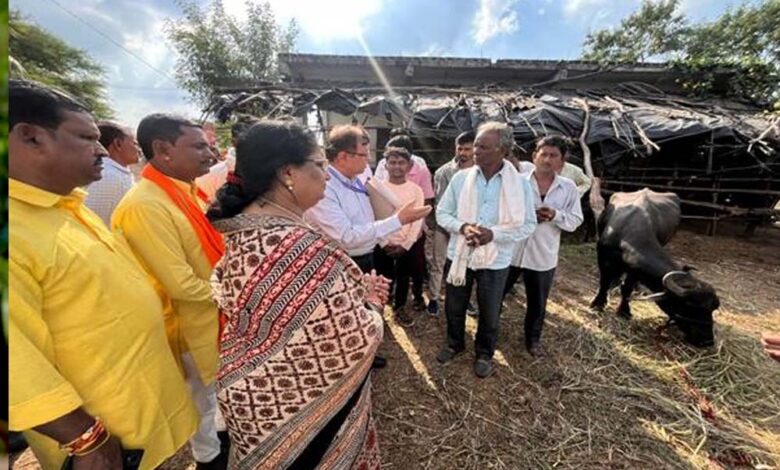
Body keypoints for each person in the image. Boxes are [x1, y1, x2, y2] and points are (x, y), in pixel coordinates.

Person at [9, 80, 198, 470]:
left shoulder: (67, 206)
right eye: (86, 138)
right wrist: (87, 440)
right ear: (31, 138)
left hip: (155, 419)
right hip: (111, 446)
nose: (101, 150)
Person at [207, 120, 387, 469]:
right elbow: (358, 341)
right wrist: (373, 303)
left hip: (254, 404)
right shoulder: (303, 251)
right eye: (319, 165)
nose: (328, 175)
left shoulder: (246, 232)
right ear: (288, 173)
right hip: (304, 419)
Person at [112, 114, 226, 469]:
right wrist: (238, 292)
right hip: (187, 328)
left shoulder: (186, 191)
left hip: (212, 316)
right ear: (163, 150)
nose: (211, 154)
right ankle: (209, 461)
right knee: (202, 408)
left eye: (209, 146)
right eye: (199, 147)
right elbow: (181, 285)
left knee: (216, 402)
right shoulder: (145, 205)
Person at [305, 125, 430, 369]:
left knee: (362, 310)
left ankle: (364, 355)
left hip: (366, 255)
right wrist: (397, 221)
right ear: (344, 156)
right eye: (364, 153)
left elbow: (374, 212)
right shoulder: (325, 188)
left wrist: (390, 235)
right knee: (343, 317)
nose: (369, 159)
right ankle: (348, 365)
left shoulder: (361, 177)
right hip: (341, 261)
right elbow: (346, 236)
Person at [435, 122, 536, 378]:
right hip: (460, 254)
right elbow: (442, 213)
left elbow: (528, 224)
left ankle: (484, 353)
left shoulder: (520, 185)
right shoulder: (461, 178)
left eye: (483, 147)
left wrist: (494, 235)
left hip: (495, 259)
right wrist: (463, 227)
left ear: (502, 150)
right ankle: (454, 344)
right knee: (454, 306)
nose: (475, 151)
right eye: (476, 145)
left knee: (490, 310)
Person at [505, 135, 584, 358]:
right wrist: (529, 216)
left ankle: (533, 340)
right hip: (511, 251)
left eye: (554, 156)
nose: (547, 160)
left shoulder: (568, 188)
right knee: (495, 294)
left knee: (537, 302)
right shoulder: (517, 181)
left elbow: (575, 220)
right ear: (534, 156)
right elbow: (503, 211)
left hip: (542, 255)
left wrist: (555, 215)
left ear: (562, 161)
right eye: (544, 154)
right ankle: (488, 333)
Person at [373, 147, 426, 327]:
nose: (397, 166)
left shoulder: (416, 190)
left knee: (403, 277)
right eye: (393, 162)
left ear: (409, 166)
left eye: (401, 162)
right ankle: (377, 311)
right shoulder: (378, 188)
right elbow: (374, 216)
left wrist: (407, 244)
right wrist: (384, 242)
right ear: (385, 165)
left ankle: (400, 308)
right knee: (381, 278)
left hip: (406, 244)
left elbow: (417, 220)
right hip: (382, 243)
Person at [429, 131, 476, 316]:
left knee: (467, 264)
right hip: (444, 227)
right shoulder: (444, 172)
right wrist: (450, 225)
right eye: (460, 148)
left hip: (469, 228)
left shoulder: (481, 172)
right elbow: (439, 203)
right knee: (438, 263)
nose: (463, 153)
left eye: (467, 149)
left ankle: (466, 300)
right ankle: (434, 298)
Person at [84, 121, 141, 226]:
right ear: (118, 144)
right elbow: (92, 220)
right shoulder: (108, 176)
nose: (139, 150)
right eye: (134, 144)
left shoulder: (114, 173)